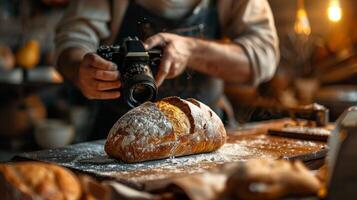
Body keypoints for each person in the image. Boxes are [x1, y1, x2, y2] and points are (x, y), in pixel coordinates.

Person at [55, 0, 279, 139]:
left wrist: (192, 51)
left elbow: (265, 58)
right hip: (119, 134)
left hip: (201, 134)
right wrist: (81, 71)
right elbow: (71, 43)